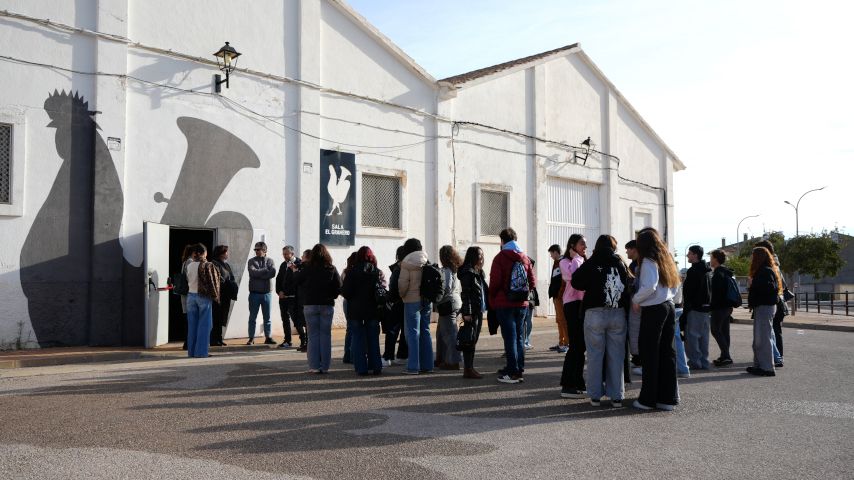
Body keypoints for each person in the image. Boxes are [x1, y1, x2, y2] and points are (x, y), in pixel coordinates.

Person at [570, 235, 629, 407]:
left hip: (594, 313)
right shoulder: (620, 263)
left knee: (595, 355)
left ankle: (595, 396)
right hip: (617, 312)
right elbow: (627, 284)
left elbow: (576, 281)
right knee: (616, 356)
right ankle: (616, 396)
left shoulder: (592, 262)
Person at [631, 228, 680, 411]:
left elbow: (649, 287)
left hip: (654, 310)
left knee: (649, 354)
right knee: (667, 353)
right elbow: (676, 286)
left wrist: (636, 300)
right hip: (669, 306)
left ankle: (648, 399)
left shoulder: (648, 261)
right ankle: (667, 399)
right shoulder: (666, 259)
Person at [489, 228, 536, 384]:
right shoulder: (524, 257)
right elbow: (532, 282)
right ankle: (518, 369)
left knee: (510, 338)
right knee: (519, 337)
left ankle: (512, 372)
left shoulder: (500, 257)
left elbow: (495, 282)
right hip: (522, 304)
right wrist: (522, 293)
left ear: (502, 241)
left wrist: (493, 298)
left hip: (504, 303)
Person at [295, 243, 342, 374]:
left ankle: (314, 366)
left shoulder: (307, 268)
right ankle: (325, 366)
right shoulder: (331, 268)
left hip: (310, 304)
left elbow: (297, 280)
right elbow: (339, 286)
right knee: (325, 336)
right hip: (326, 304)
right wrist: (332, 295)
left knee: (312, 336)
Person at [341, 246, 385, 375]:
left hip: (355, 311)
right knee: (373, 339)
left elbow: (346, 292)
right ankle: (376, 366)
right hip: (372, 310)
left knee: (358, 339)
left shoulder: (352, 272)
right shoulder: (376, 271)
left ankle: (361, 368)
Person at [398, 238, 434, 375]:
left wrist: (402, 295)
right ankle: (428, 365)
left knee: (413, 332)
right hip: (426, 300)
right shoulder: (426, 260)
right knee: (425, 330)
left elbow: (403, 284)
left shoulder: (406, 262)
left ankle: (413, 367)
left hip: (411, 300)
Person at [559, 234, 587, 397]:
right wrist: (576, 258)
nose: (585, 247)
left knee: (581, 346)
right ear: (572, 245)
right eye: (582, 244)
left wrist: (579, 258)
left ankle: (578, 381)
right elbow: (574, 277)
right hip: (571, 305)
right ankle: (568, 384)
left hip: (582, 305)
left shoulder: (582, 260)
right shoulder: (565, 262)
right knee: (575, 345)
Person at [746, 246, 781, 377]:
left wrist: (753, 283)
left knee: (763, 339)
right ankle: (759, 365)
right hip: (763, 307)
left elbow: (769, 288)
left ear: (758, 257)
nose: (751, 258)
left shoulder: (765, 271)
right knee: (759, 339)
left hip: (765, 307)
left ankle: (767, 368)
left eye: (753, 255)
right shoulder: (764, 270)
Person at [458, 246, 489, 379]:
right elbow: (466, 294)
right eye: (479, 255)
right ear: (473, 256)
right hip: (472, 312)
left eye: (482, 255)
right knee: (469, 340)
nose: (482, 258)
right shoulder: (468, 272)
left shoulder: (478, 272)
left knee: (473, 339)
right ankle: (468, 369)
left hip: (478, 310)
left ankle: (469, 368)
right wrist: (467, 312)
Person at [185, 244, 221, 358]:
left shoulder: (189, 265)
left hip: (190, 296)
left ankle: (191, 352)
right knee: (205, 325)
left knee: (192, 326)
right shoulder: (208, 265)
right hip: (203, 297)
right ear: (203, 253)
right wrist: (216, 296)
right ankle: (201, 352)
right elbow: (213, 282)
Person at [756, 240, 786, 367]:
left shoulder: (770, 266)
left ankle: (777, 358)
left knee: (771, 331)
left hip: (772, 301)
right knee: (774, 331)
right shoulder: (775, 264)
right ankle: (777, 357)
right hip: (777, 300)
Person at [682, 245, 712, 370]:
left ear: (695, 255)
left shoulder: (693, 271)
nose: (687, 255)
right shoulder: (707, 270)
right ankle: (704, 361)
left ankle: (695, 362)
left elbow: (689, 291)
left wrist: (687, 307)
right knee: (704, 337)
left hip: (695, 308)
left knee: (692, 336)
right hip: (706, 308)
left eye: (689, 253)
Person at [435, 245, 463, 370]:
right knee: (442, 332)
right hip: (455, 302)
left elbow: (446, 288)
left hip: (448, 304)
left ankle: (453, 362)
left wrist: (437, 298)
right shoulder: (456, 269)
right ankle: (442, 358)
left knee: (450, 334)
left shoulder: (446, 270)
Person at [246, 241, 277, 345]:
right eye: (255, 249)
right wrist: (265, 270)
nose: (256, 251)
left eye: (258, 249)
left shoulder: (270, 261)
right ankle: (251, 338)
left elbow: (272, 272)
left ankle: (268, 337)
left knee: (267, 317)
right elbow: (252, 273)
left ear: (265, 250)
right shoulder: (251, 261)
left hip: (266, 294)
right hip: (254, 294)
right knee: (252, 317)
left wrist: (260, 275)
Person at [383, 246, 408, 366]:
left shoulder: (398, 268)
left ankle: (388, 356)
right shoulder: (410, 267)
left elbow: (393, 287)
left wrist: (390, 300)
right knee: (405, 330)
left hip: (397, 302)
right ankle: (402, 355)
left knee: (392, 330)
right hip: (408, 302)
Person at [275, 245, 304, 350]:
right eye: (283, 254)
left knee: (297, 320)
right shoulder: (283, 265)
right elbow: (278, 279)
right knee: (285, 319)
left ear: (292, 253)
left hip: (293, 298)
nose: (285, 256)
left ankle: (303, 341)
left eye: (287, 254)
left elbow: (297, 281)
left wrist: (287, 292)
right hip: (283, 298)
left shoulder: (299, 264)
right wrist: (279, 291)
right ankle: (287, 340)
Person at [709, 249, 735, 366]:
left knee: (715, 330)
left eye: (711, 258)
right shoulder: (726, 272)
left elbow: (717, 294)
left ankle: (726, 356)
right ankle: (724, 356)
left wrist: (711, 306)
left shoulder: (718, 274)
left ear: (715, 259)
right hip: (728, 306)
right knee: (724, 332)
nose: (710, 260)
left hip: (719, 307)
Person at [210, 245, 238, 346]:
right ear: (221, 253)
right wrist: (227, 283)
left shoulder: (226, 265)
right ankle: (214, 339)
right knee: (216, 317)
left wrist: (231, 284)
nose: (227, 254)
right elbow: (218, 279)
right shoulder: (214, 264)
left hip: (226, 294)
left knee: (222, 317)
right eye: (226, 252)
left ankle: (219, 338)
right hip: (218, 295)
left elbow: (231, 277)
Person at [547, 244, 569, 353]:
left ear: (556, 252)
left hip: (560, 297)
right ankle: (561, 342)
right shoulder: (557, 262)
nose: (551, 256)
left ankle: (566, 344)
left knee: (563, 320)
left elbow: (564, 280)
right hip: (557, 296)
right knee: (559, 320)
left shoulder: (562, 262)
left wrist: (560, 294)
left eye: (551, 253)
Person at [625, 240, 642, 373]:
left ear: (634, 249)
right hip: (636, 302)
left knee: (636, 331)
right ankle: (637, 359)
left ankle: (639, 360)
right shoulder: (634, 264)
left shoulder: (640, 265)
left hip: (638, 304)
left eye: (628, 249)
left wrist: (635, 299)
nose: (626, 252)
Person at [341, 251, 359, 364]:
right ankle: (352, 355)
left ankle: (347, 354)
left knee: (349, 328)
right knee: (356, 328)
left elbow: (341, 288)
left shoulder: (345, 272)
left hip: (347, 301)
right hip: (355, 301)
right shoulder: (358, 271)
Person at [523, 259, 539, 350]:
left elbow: (533, 288)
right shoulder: (523, 273)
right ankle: (524, 342)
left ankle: (526, 341)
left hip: (530, 301)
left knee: (528, 322)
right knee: (526, 323)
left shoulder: (529, 274)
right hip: (526, 301)